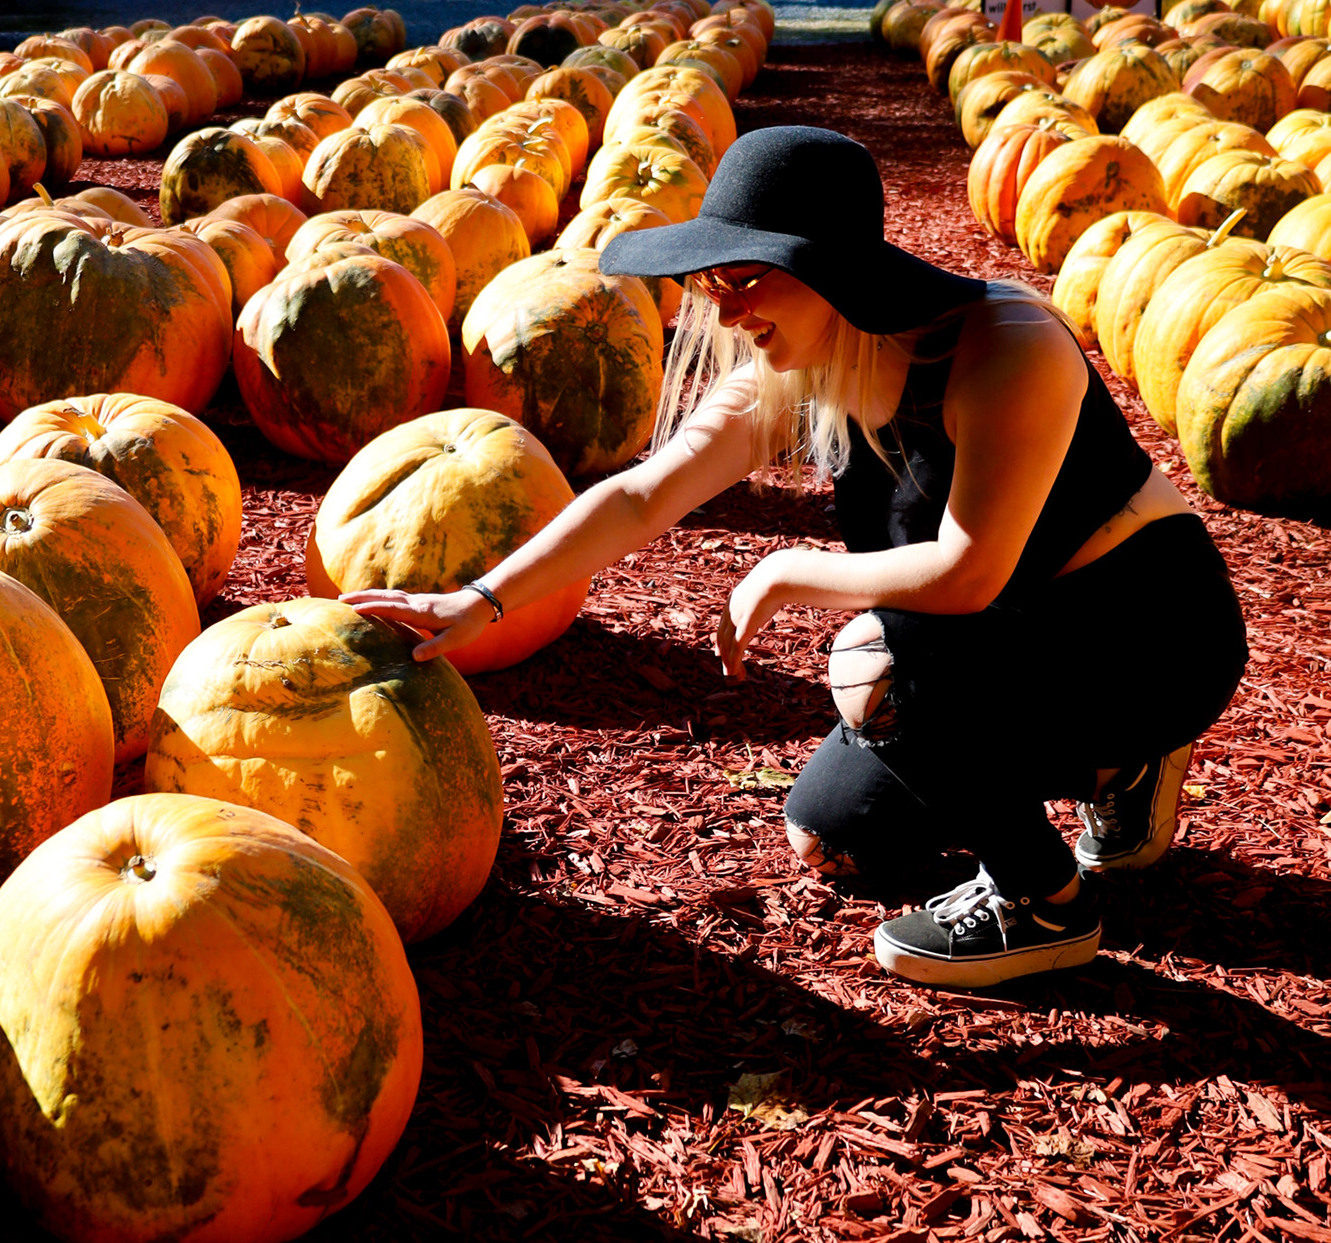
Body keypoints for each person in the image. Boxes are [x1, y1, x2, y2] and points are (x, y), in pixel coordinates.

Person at [343, 126, 1248, 990]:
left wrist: (784, 573)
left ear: (833, 273)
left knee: (875, 665)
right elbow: (643, 496)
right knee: (837, 834)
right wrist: (479, 599)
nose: (726, 311)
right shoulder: (801, 368)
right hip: (993, 641)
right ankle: (1114, 772)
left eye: (746, 279)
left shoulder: (1007, 347)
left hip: (1146, 635)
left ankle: (1047, 904)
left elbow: (967, 572)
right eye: (712, 284)